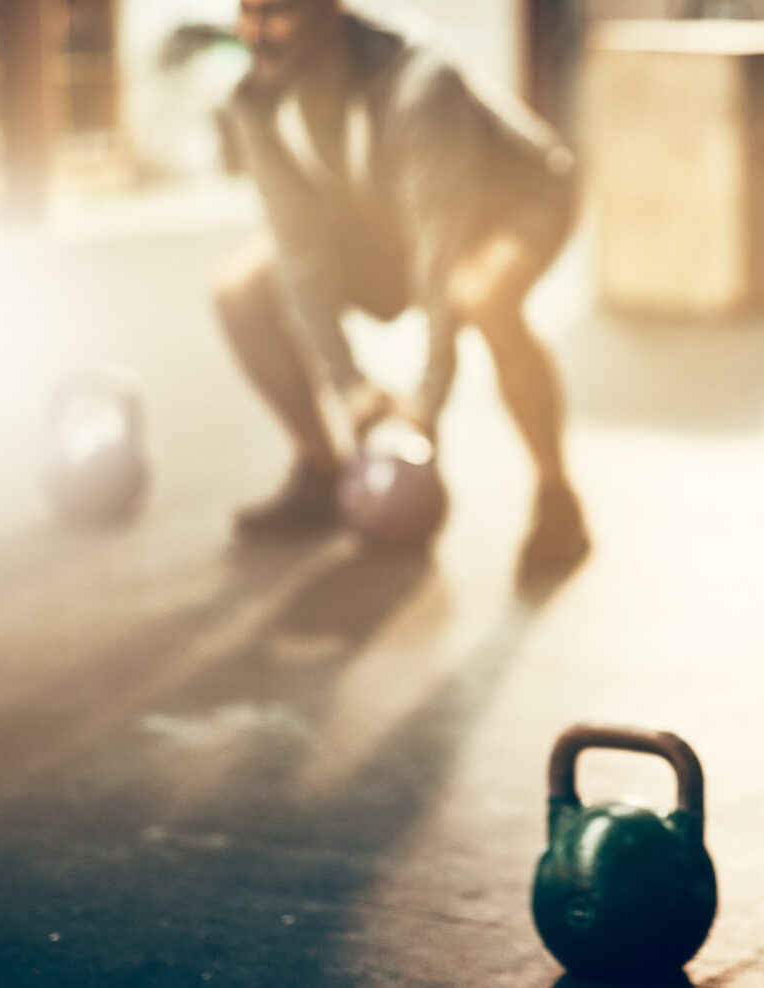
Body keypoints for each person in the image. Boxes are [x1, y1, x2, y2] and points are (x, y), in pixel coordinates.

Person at [214, 0, 587, 574]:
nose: (254, 33)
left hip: (515, 201)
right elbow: (298, 251)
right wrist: (352, 389)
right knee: (241, 289)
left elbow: (436, 246)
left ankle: (558, 500)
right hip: (382, 213)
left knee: (480, 294)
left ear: (328, 13)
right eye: (246, 12)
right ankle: (323, 474)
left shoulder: (419, 83)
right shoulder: (253, 101)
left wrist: (425, 407)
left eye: (275, 14)